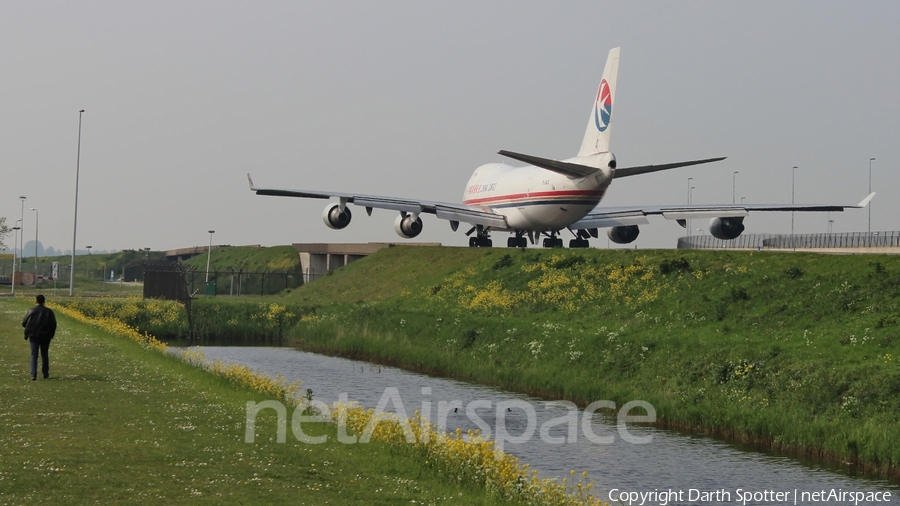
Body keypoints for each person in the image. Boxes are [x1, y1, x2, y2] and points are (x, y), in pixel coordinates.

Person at [22, 294, 57, 381]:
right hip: (45, 336)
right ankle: (45, 373)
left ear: (36, 301)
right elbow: (53, 324)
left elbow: (24, 323)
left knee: (34, 354)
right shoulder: (49, 311)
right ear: (44, 301)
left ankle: (33, 374)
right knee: (44, 354)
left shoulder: (31, 310)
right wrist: (51, 334)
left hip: (33, 335)